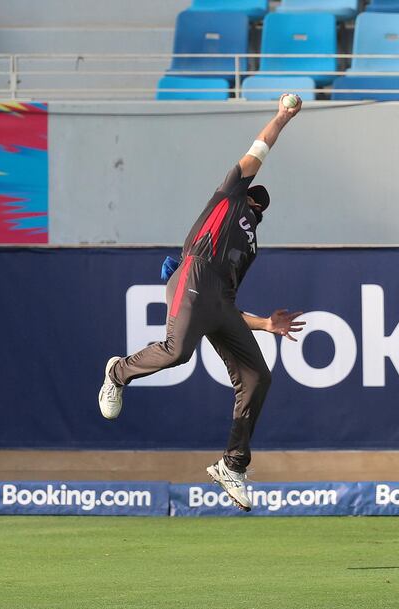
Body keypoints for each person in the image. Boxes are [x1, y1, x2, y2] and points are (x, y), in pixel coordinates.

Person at [98, 95, 305, 511]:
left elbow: (224, 305)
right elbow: (259, 147)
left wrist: (265, 324)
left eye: (261, 207)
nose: (258, 208)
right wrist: (282, 118)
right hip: (195, 272)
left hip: (217, 297)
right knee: (177, 351)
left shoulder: (251, 246)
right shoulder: (230, 194)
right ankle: (118, 373)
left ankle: (233, 464)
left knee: (257, 377)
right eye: (255, 200)